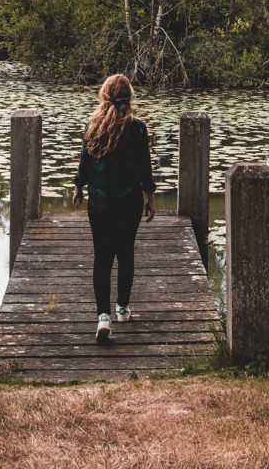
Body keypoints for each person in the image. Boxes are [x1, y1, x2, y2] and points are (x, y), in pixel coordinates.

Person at [72, 73, 156, 343]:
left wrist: (79, 186)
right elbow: (144, 166)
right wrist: (149, 195)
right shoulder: (138, 128)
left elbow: (85, 162)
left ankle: (102, 317)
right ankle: (122, 309)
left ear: (104, 96)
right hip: (129, 201)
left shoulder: (92, 126)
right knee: (126, 252)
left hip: (100, 203)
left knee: (102, 257)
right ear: (129, 98)